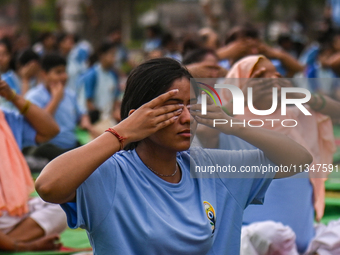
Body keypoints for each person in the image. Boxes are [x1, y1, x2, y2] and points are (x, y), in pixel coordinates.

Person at [36, 58, 312, 254]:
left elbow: (299, 159)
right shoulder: (111, 174)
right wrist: (121, 133)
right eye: (172, 106)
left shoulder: (210, 167)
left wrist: (232, 123)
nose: (186, 117)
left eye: (191, 105)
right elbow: (48, 185)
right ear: (138, 115)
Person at [216, 55, 336, 254]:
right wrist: (240, 100)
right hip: (250, 244)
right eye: (261, 75)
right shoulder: (226, 125)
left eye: (276, 73)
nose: (273, 78)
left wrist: (304, 96)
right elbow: (202, 130)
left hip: (304, 245)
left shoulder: (297, 116)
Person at [0, 79, 67, 252]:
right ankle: (13, 242)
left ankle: (8, 241)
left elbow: (51, 130)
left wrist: (13, 97)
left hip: (14, 212)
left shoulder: (5, 119)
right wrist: (28, 246)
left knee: (64, 206)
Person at [25, 53, 97, 161]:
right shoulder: (34, 96)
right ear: (44, 74)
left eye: (65, 72)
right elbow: (40, 123)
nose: (64, 77)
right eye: (58, 72)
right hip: (46, 148)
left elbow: (82, 113)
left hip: (70, 146)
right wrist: (56, 99)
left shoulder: (70, 94)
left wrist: (85, 122)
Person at [80, 41, 121, 124]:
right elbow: (88, 102)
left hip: (109, 120)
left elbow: (115, 98)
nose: (114, 58)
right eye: (112, 55)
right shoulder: (92, 75)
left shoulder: (114, 75)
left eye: (115, 55)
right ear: (102, 55)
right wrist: (99, 116)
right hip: (95, 121)